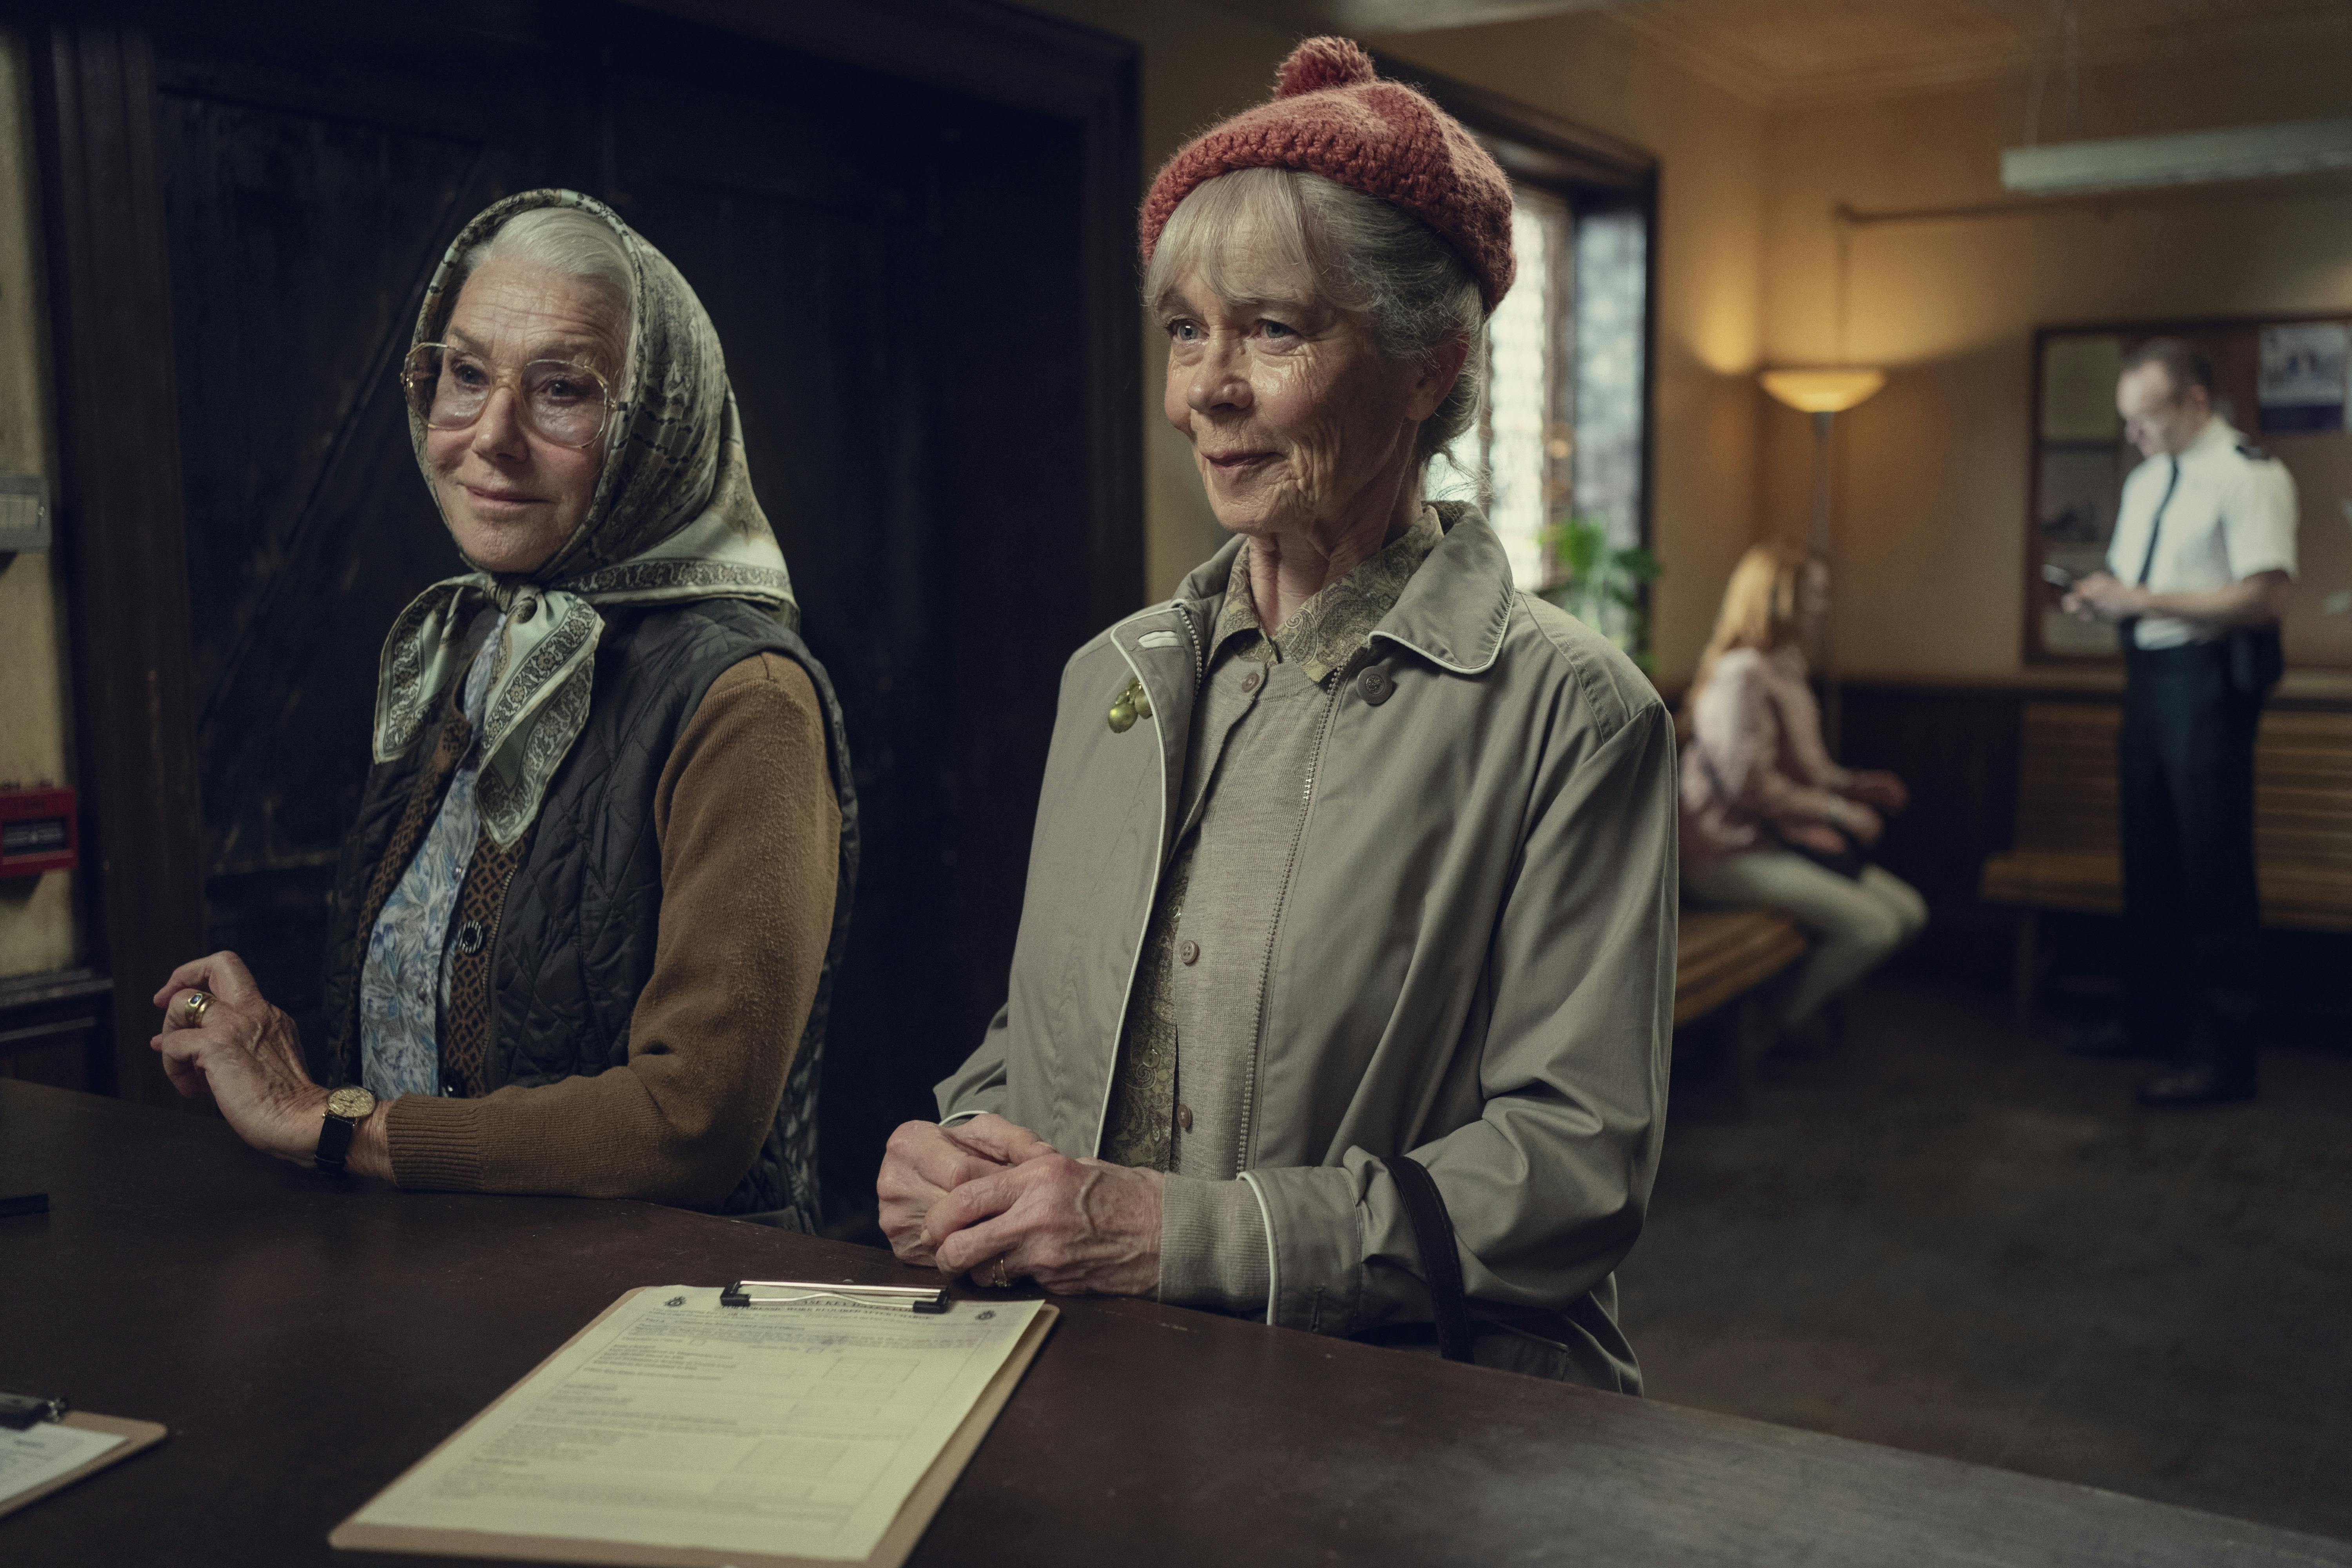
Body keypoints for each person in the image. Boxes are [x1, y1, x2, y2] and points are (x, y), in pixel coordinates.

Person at [873, 38, 1677, 1389]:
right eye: (1185, 329)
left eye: (1274, 329)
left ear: (1430, 363)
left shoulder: (1575, 715)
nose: (1204, 390)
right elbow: (1053, 1033)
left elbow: (1570, 1174)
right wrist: (960, 1144)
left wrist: (1184, 1237)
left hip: (1405, 1416)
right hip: (1096, 1387)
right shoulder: (1110, 680)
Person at [149, 191, 856, 1224]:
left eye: (561, 389)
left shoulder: (745, 698)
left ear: (658, 424)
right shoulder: (467, 643)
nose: (491, 437)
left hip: (646, 1305)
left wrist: (328, 1124)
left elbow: (693, 1120)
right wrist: (263, 1054)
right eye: (467, 375)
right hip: (429, 1280)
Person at [2062, 338, 2296, 1106]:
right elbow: (2140, 581)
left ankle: (2223, 1057)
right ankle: (2150, 1021)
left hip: (2209, 681)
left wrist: (2143, 601)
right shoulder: (2145, 480)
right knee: (2150, 858)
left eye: (2147, 417)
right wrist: (2104, 596)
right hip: (2149, 675)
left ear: (2196, 401)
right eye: (2126, 418)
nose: (2134, 433)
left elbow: (2263, 597)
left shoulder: (2248, 474)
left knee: (2212, 866)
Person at [1679, 544, 1926, 1047]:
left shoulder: (1784, 666)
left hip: (1774, 842)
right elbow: (1751, 787)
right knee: (1873, 928)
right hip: (1726, 854)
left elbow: (1804, 769)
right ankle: (1770, 1030)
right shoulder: (1742, 673)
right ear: (1776, 598)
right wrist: (1840, 812)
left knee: (1908, 912)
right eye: (1812, 593)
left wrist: (1854, 785)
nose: (1822, 606)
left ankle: (1778, 1018)